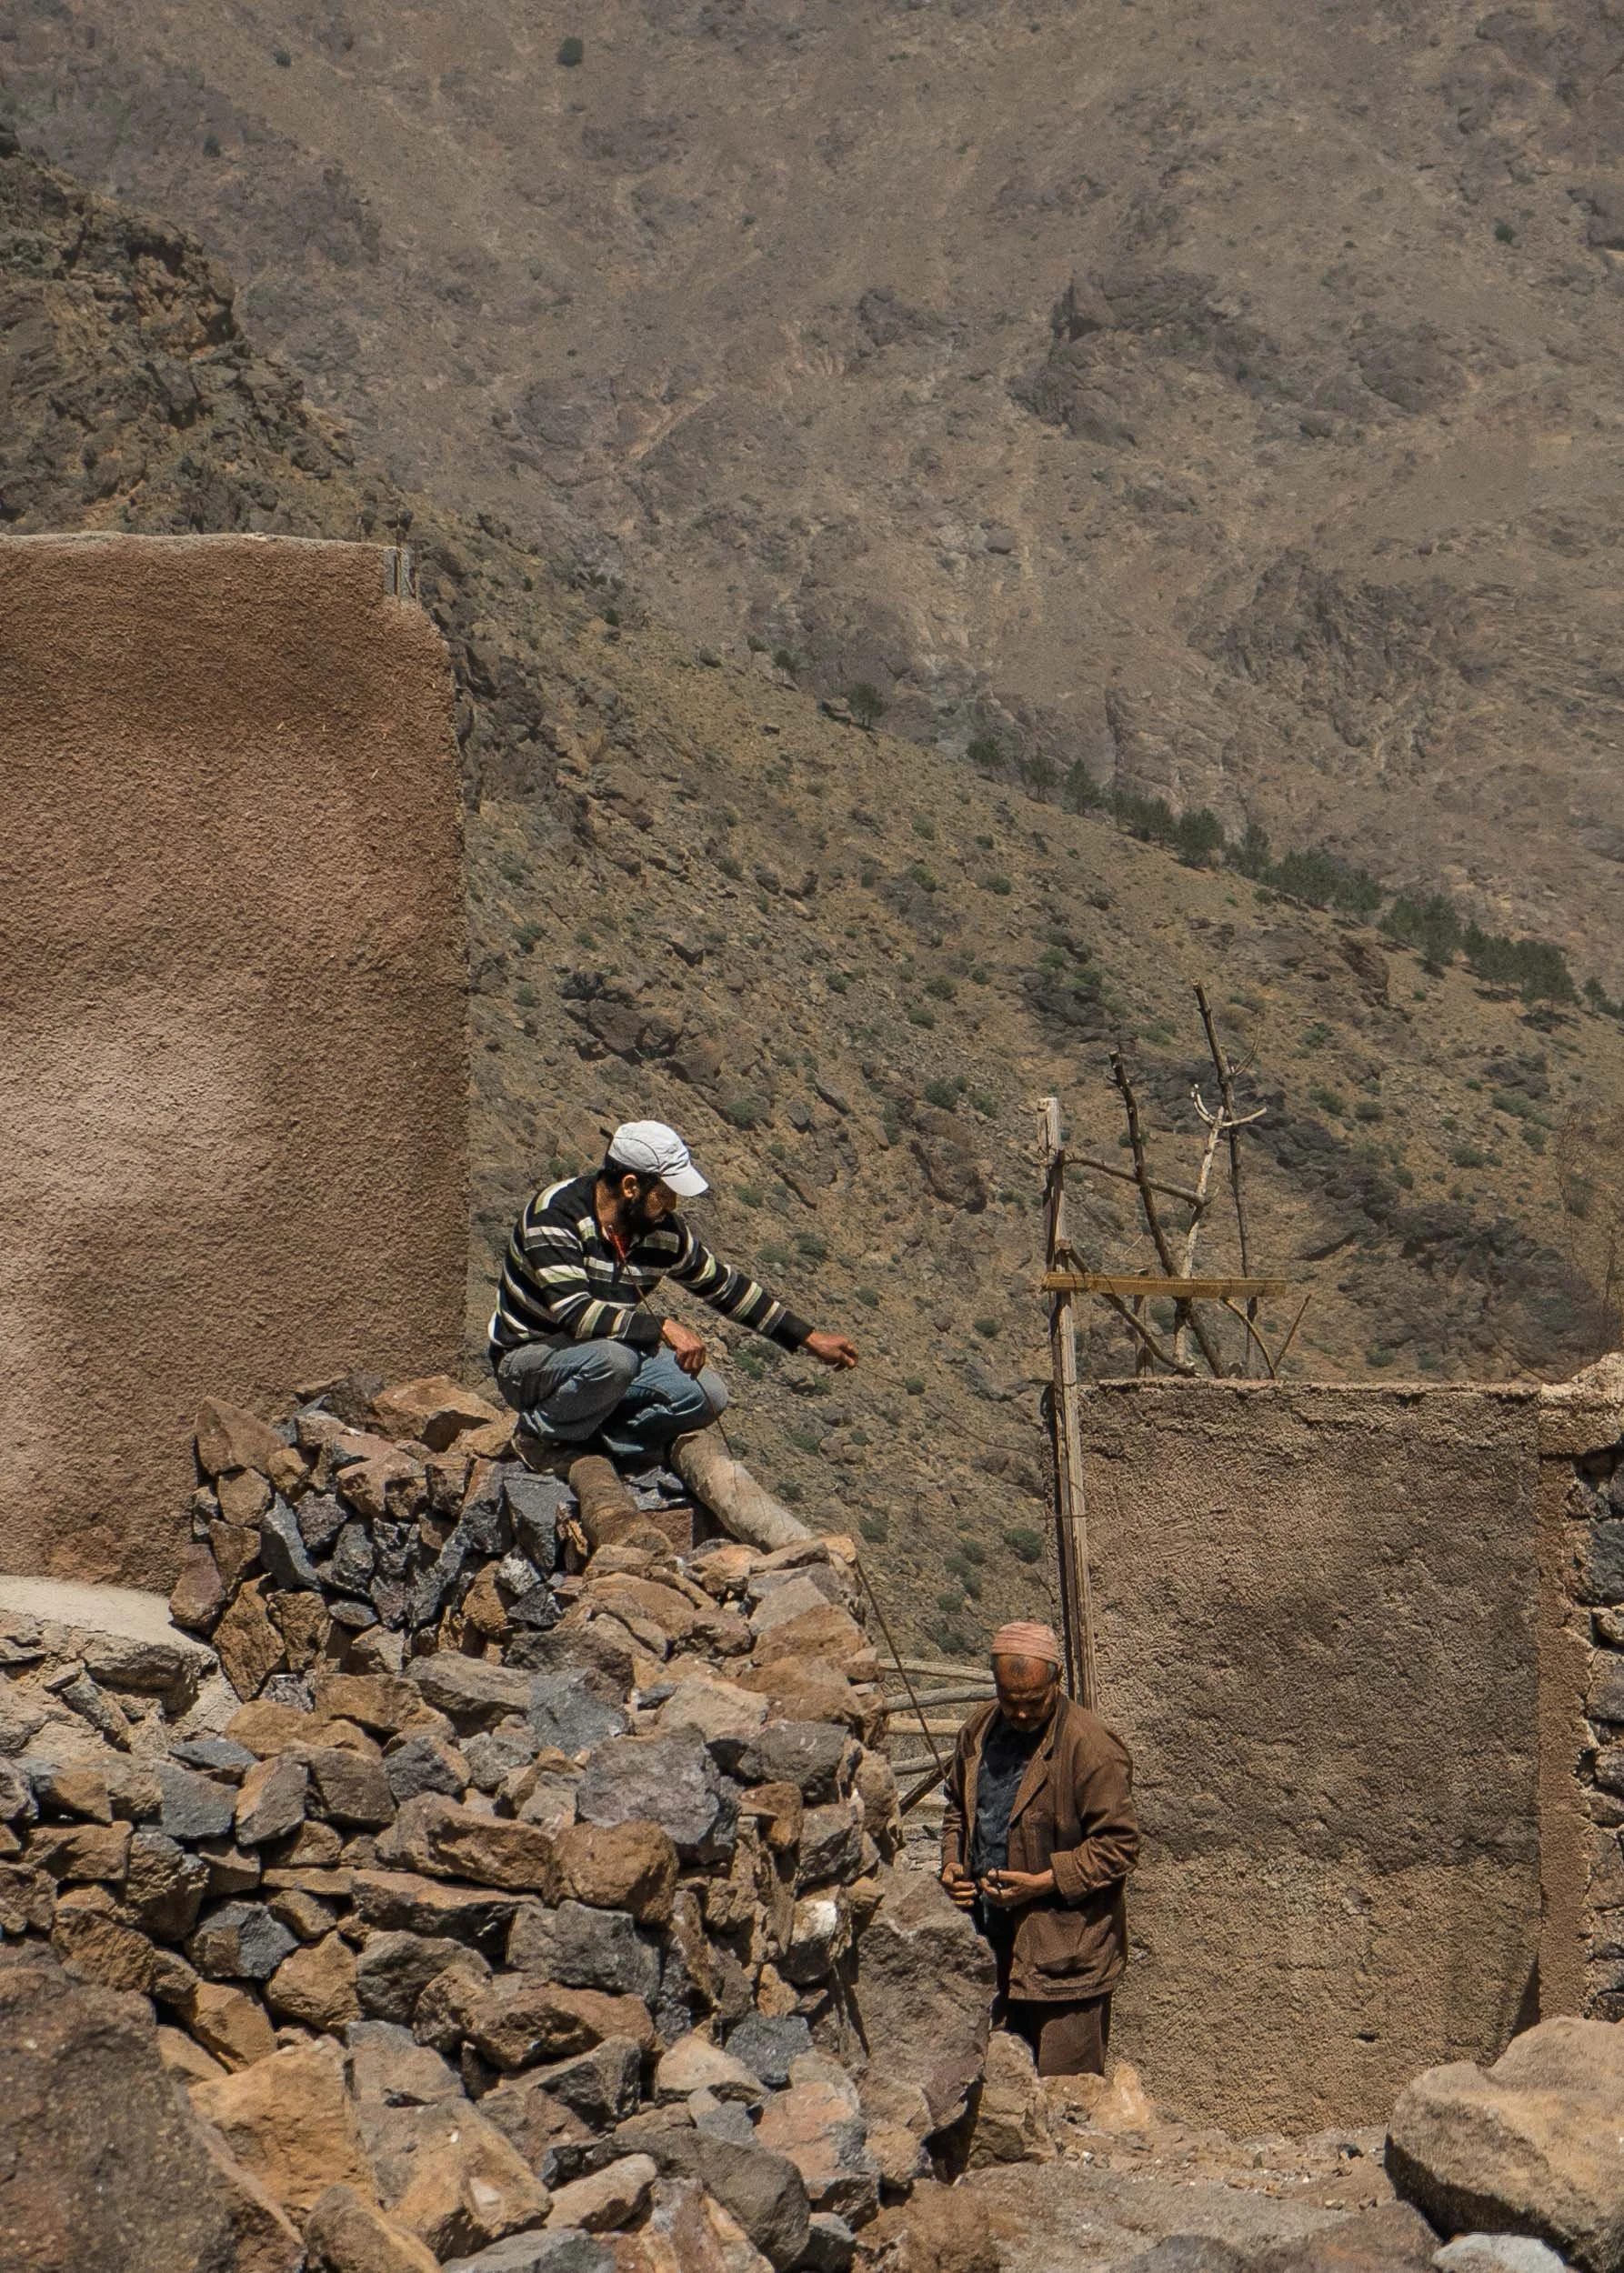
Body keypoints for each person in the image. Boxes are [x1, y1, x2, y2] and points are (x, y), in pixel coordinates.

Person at [489, 1118, 858, 1464]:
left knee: (707, 1396)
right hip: (531, 1362)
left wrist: (808, 1339)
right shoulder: (556, 1216)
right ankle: (538, 1438)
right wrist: (663, 1327)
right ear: (631, 1186)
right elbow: (575, 1313)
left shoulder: (663, 1232)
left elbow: (725, 1287)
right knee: (614, 1359)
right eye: (664, 1195)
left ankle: (598, 1445)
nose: (673, 1205)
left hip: (609, 1362)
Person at [940, 1619, 1138, 2078]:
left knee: (1067, 2102)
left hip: (1065, 1963)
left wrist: (1044, 1882)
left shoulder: (1090, 1747)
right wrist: (952, 1864)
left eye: (1033, 1703)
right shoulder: (977, 1732)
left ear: (1058, 1681)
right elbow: (957, 1809)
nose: (1022, 1714)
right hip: (991, 1953)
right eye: (1011, 1702)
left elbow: (1120, 1844)